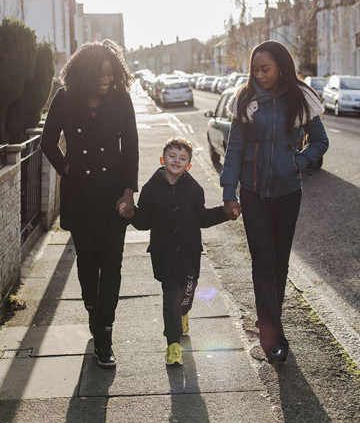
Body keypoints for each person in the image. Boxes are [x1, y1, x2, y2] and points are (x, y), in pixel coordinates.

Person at [220, 40, 329, 364]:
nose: (258, 74)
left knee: (279, 265)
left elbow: (321, 140)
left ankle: (271, 324)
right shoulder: (245, 100)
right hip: (253, 193)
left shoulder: (300, 98)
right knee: (263, 264)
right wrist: (229, 192)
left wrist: (299, 161)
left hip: (287, 194)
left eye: (264, 69)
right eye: (254, 69)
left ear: (281, 67)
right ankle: (272, 335)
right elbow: (234, 149)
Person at [41, 39, 138, 368]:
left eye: (111, 74)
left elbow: (132, 147)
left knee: (112, 265)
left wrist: (129, 190)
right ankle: (94, 312)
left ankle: (104, 332)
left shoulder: (121, 99)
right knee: (87, 262)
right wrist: (66, 167)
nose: (107, 80)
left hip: (113, 195)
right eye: (101, 74)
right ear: (85, 72)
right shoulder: (66, 98)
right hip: (80, 195)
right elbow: (47, 140)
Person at [120, 137, 232, 366]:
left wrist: (224, 212)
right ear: (163, 159)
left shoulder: (194, 189)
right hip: (164, 254)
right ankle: (173, 345)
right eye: (172, 156)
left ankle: (184, 314)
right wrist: (129, 214)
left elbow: (203, 218)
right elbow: (144, 221)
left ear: (188, 166)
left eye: (182, 158)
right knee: (171, 296)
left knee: (185, 297)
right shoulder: (151, 189)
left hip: (190, 254)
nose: (176, 161)